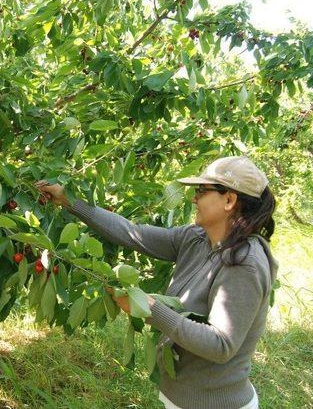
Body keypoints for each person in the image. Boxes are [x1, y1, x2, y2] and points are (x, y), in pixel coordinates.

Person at [36, 156, 277, 409]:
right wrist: (69, 200)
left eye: (201, 191)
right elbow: (132, 234)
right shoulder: (196, 238)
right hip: (181, 395)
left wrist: (148, 308)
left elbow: (221, 345)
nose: (194, 198)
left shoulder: (244, 264)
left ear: (229, 200)